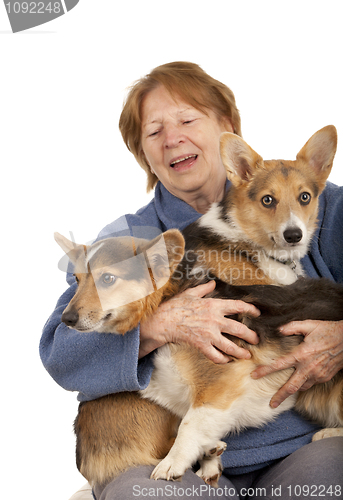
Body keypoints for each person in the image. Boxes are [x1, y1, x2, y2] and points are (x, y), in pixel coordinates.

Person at [40, 62, 343, 500]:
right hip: (168, 460)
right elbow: (61, 351)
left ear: (227, 130)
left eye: (187, 120)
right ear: (144, 154)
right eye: (153, 131)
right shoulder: (128, 240)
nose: (172, 138)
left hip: (298, 449)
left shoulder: (314, 202)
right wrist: (155, 326)